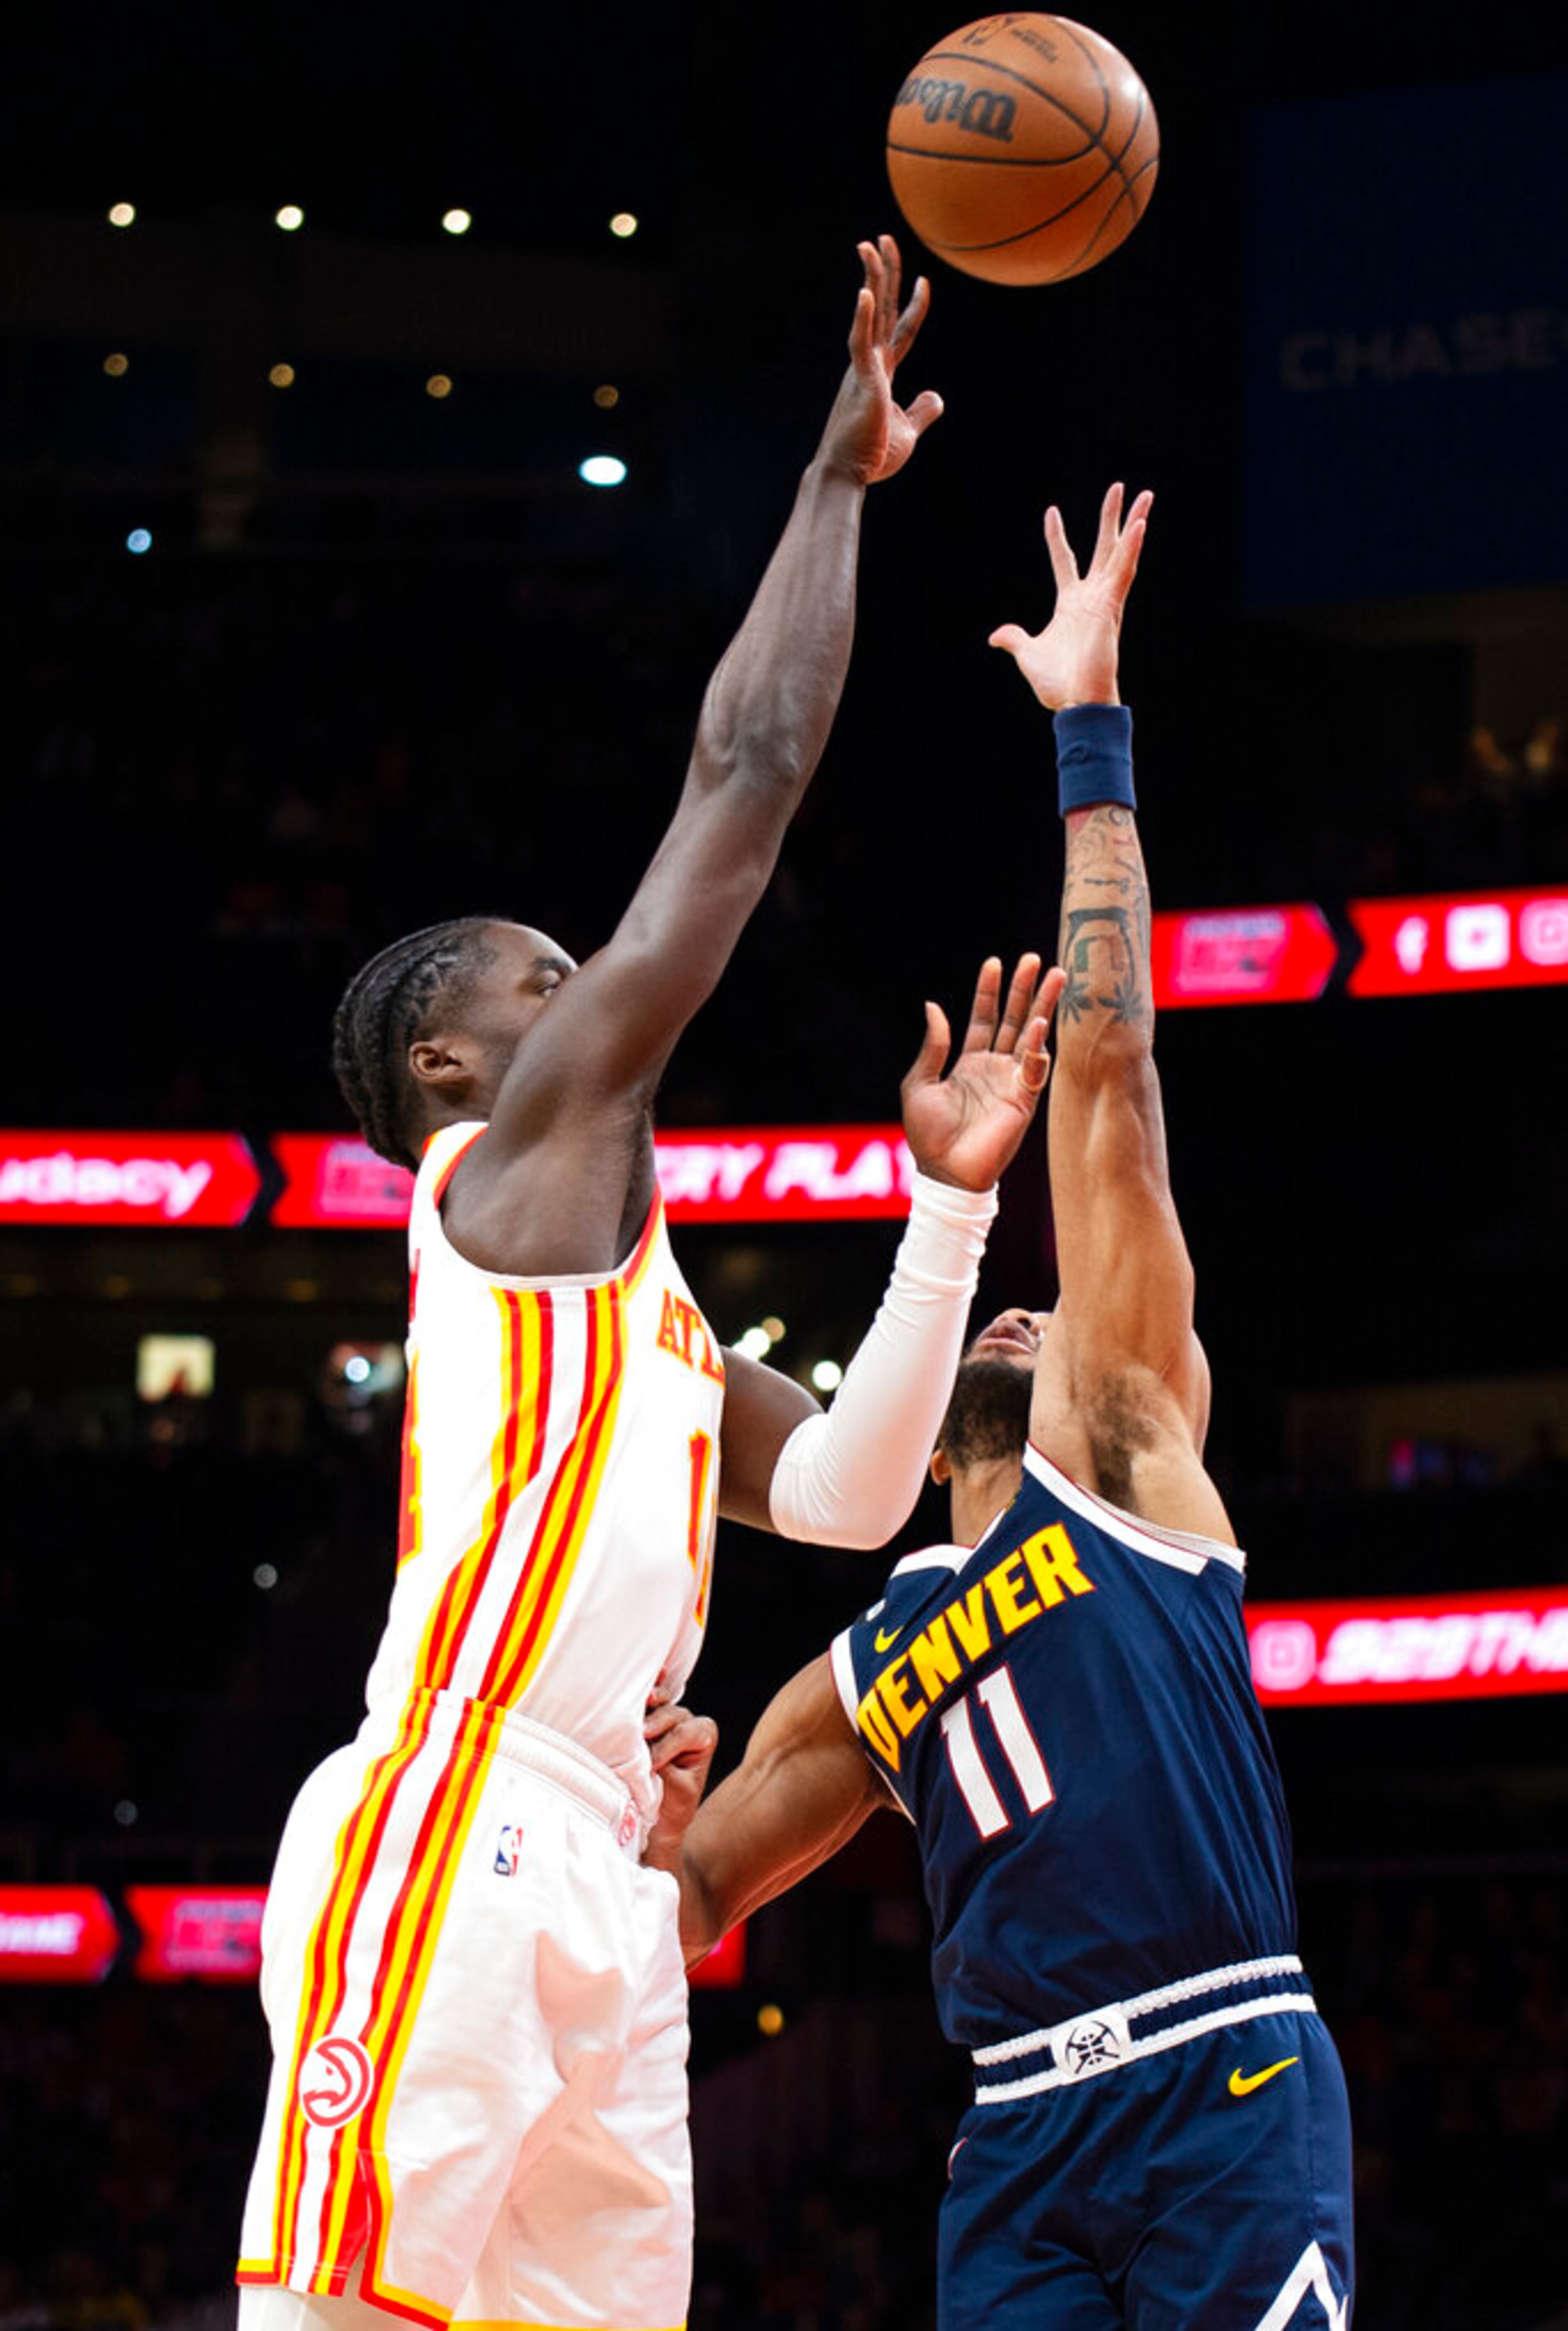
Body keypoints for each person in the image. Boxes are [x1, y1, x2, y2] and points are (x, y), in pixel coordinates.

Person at [236, 238, 1067, 2331]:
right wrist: (835, 484)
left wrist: (950, 1211)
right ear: (453, 1068)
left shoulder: (647, 1311)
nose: (595, 984)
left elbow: (857, 1498)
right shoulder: (505, 1188)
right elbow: (743, 781)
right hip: (455, 1811)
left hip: (606, 1871)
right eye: (551, 974)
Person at [672, 487, 1356, 2330]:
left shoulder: (1125, 1453)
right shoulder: (870, 1663)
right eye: (1013, 1300)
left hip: (1223, 2074)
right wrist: (597, 1796)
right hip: (1020, 2141)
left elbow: (1114, 1069)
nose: (1031, 1312)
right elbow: (693, 1900)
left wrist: (1089, 729)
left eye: (1040, 1305)